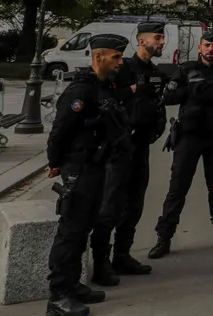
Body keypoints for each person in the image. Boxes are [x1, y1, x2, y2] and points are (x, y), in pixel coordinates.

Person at [45, 34, 129, 316]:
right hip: (78, 167)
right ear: (98, 58)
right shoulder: (80, 92)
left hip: (97, 166)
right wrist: (54, 162)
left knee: (84, 227)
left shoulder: (105, 87)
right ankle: (58, 296)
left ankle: (73, 285)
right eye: (116, 57)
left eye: (121, 57)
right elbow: (60, 130)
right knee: (70, 230)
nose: (120, 62)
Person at [149, 28, 213, 257]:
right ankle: (164, 237)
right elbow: (167, 98)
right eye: (206, 45)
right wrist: (190, 89)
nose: (210, 49)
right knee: (177, 188)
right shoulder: (186, 70)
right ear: (199, 47)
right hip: (189, 137)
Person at [93, 20, 168, 277]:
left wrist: (158, 127)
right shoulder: (123, 68)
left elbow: (158, 103)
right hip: (120, 147)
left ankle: (122, 256)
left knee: (134, 204)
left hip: (141, 145)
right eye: (157, 38)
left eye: (162, 38)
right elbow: (106, 100)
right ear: (141, 41)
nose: (162, 43)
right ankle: (101, 261)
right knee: (110, 204)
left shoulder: (156, 71)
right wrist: (132, 90)